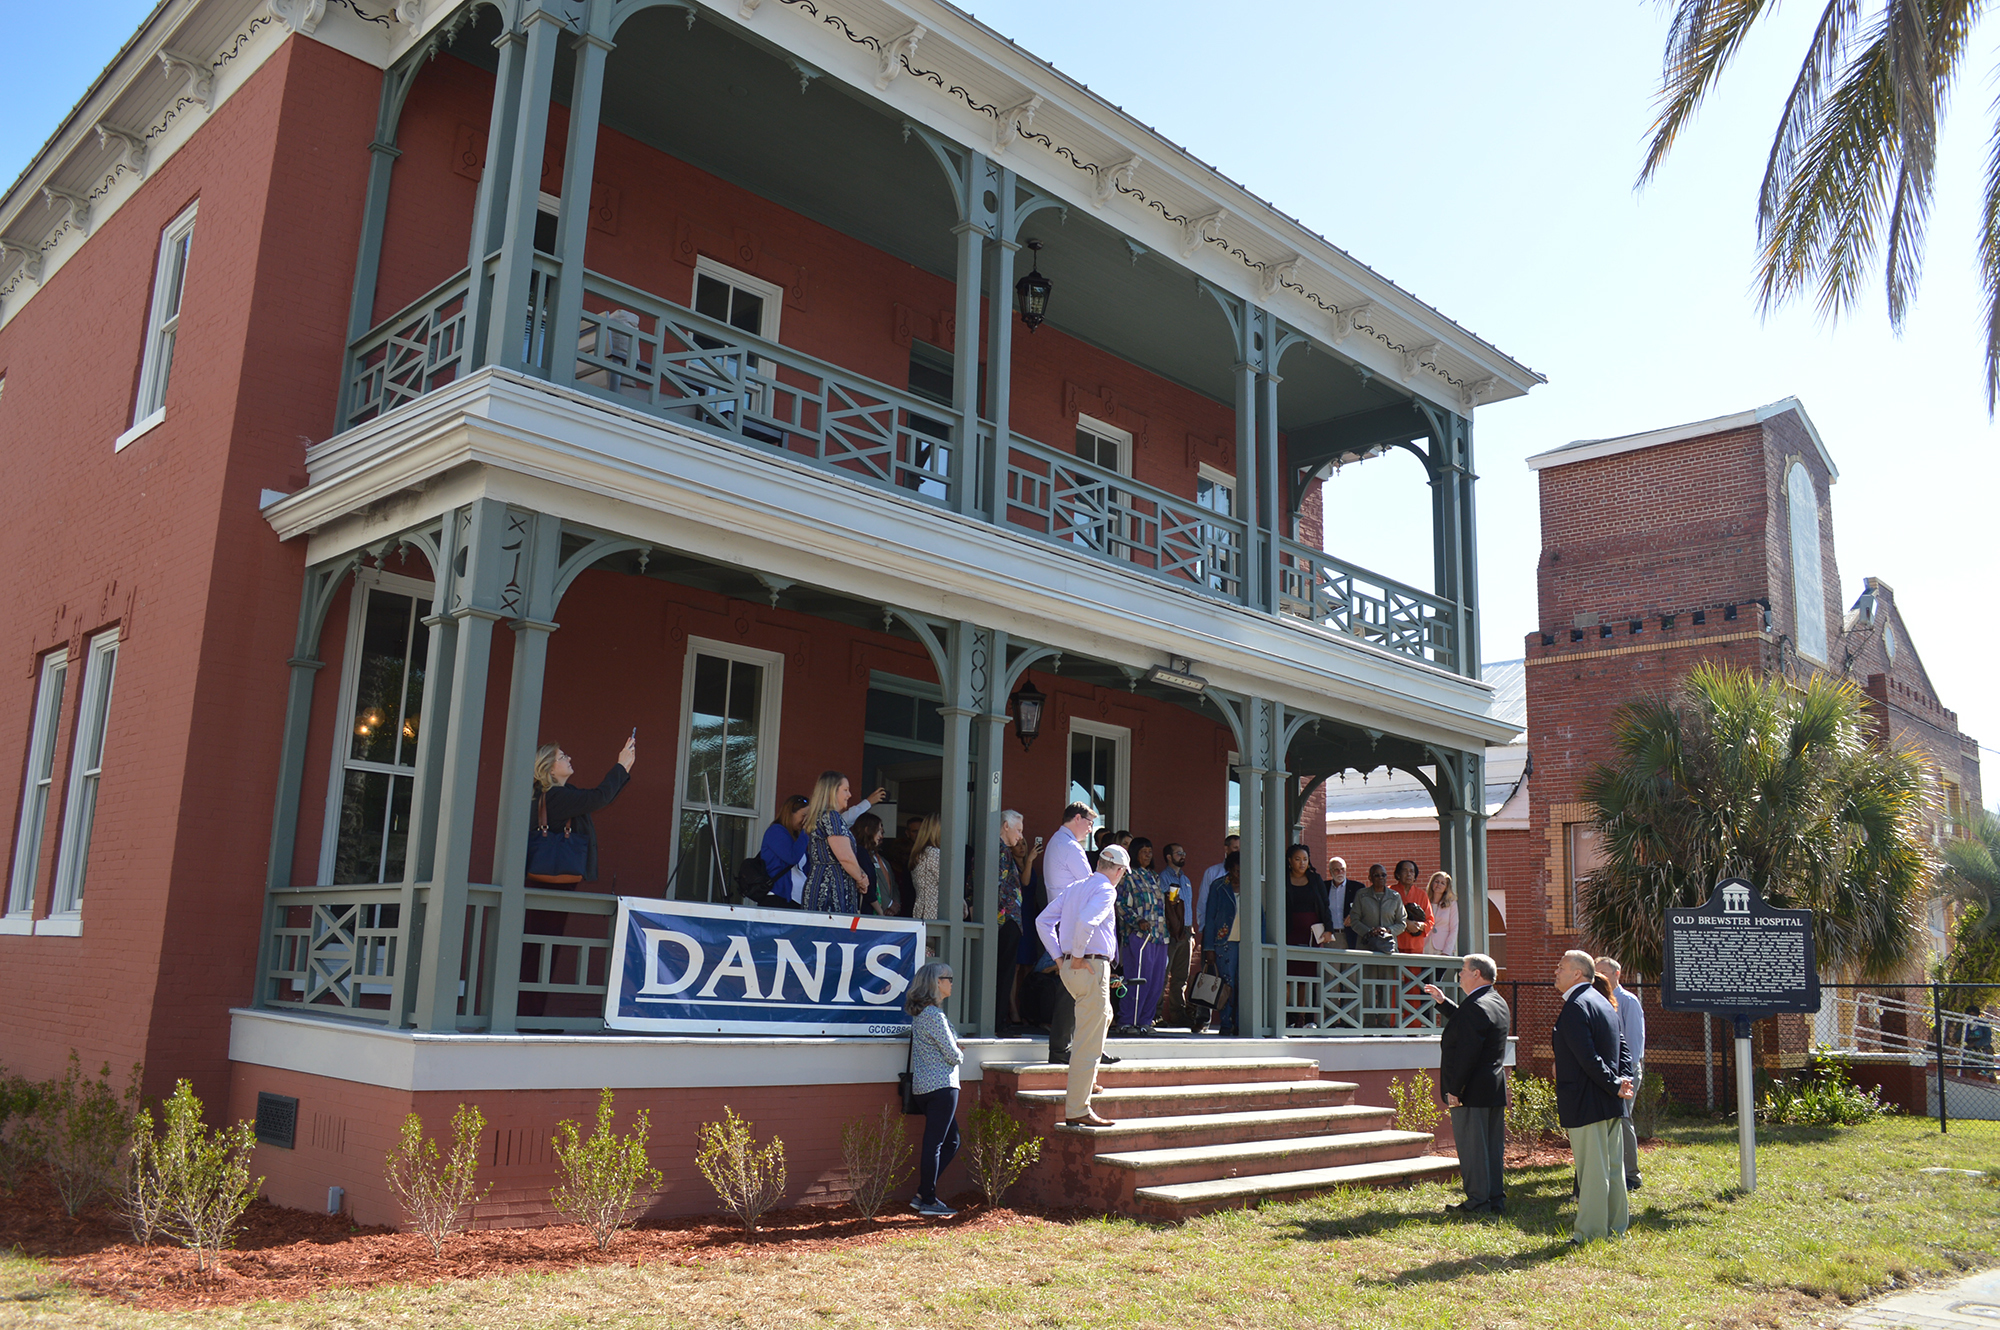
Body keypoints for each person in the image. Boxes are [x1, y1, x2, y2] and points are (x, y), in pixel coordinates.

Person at [1553, 948, 1635, 1244]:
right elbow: (1623, 1048)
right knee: (1613, 1168)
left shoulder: (1576, 1006)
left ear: (1577, 973)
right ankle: (1615, 1228)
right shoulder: (1603, 1002)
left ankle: (1588, 1233)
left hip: (1587, 1101)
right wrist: (1622, 1081)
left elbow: (1587, 1058)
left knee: (1591, 1171)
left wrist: (1615, 1084)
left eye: (1561, 967)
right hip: (1610, 1101)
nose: (1556, 972)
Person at [1046, 843, 1127, 1127]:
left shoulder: (1076, 887)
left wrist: (1060, 958)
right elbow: (1085, 921)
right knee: (1087, 1042)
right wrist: (1078, 957)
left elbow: (1043, 921)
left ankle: (1088, 1083)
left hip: (1072, 966)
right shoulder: (1106, 889)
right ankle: (1078, 1109)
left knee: (1102, 1018)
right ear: (1118, 870)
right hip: (1088, 965)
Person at [1422, 954, 1510, 1216]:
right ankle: (1494, 1199)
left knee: (1473, 1151)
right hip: (1492, 1088)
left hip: (1470, 1090)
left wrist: (1455, 1090)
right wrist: (1443, 1002)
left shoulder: (1476, 1006)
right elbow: (1471, 1024)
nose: (1459, 974)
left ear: (1477, 974)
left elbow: (1467, 1053)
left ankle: (1477, 1203)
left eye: (1463, 970)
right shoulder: (1495, 1000)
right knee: (1492, 1149)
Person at [1035, 803, 1110, 1067]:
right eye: (1090, 823)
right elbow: (1093, 886)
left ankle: (1079, 1048)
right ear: (1077, 818)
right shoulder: (1070, 847)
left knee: (1076, 992)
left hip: (1064, 923)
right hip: (1075, 926)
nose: (1091, 829)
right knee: (1076, 993)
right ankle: (1068, 1050)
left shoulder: (1058, 842)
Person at [528, 735, 636, 885]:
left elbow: (600, 798)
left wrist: (624, 769)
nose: (569, 758)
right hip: (552, 878)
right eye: (563, 757)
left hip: (551, 874)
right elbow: (598, 798)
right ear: (549, 768)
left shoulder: (559, 793)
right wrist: (621, 766)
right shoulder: (555, 796)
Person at [905, 960, 963, 1218]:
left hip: (924, 1088)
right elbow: (953, 1055)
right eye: (947, 978)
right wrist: (961, 1053)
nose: (951, 982)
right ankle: (927, 1198)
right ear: (936, 983)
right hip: (942, 1086)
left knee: (951, 1140)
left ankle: (922, 1194)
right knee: (937, 1143)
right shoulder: (935, 1015)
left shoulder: (921, 1015)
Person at [1596, 955, 1647, 1191]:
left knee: (1623, 1117)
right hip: (1607, 1073)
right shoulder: (1597, 1001)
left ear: (1617, 974)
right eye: (1596, 972)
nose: (1600, 976)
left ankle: (1632, 1176)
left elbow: (1635, 1043)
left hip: (1626, 1072)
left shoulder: (1629, 1001)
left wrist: (1626, 1076)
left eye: (1604, 972)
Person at [1114, 838, 1168, 1034]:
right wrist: (1137, 920)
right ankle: (1128, 1021)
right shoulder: (1127, 876)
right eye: (1143, 850)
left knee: (1155, 981)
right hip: (1138, 936)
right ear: (1135, 853)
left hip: (1160, 936)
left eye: (1150, 850)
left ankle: (1145, 1021)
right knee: (1137, 979)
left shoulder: (1154, 877)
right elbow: (1120, 904)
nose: (1148, 854)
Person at [800, 770, 870, 913]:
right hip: (832, 889)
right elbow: (845, 857)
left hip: (822, 884)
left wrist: (860, 874)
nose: (849, 795)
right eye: (845, 790)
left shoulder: (824, 817)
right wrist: (861, 878)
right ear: (832, 791)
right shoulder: (831, 817)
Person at [996, 810, 1041, 1031]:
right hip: (1005, 920)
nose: (1021, 835)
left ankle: (999, 1018)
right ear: (1006, 826)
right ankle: (998, 1020)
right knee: (1004, 971)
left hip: (1010, 919)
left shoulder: (1003, 851)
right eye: (1019, 830)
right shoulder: (1000, 851)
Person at [1283, 844, 1336, 1026]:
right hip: (1289, 932)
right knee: (1287, 977)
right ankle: (1285, 1015)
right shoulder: (1283, 878)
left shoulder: (1315, 879)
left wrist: (1329, 929)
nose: (1302, 863)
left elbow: (1325, 905)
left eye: (1305, 859)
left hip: (1311, 934)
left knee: (1306, 979)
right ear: (1289, 861)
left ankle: (1301, 1017)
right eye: (1297, 859)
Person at [1201, 851, 1244, 1036]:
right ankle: (1226, 1023)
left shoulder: (1254, 886)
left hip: (1246, 943)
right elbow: (1210, 917)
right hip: (1223, 942)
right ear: (1229, 869)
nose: (1239, 875)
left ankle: (1241, 1022)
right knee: (1227, 983)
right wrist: (1208, 947)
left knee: (1244, 983)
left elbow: (1261, 916)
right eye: (1235, 871)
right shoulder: (1218, 886)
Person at [1157, 843, 1197, 1027]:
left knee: (1181, 977)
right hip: (1171, 933)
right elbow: (1167, 907)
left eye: (1184, 852)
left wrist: (1192, 932)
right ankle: (1156, 1014)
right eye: (1178, 853)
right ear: (1168, 857)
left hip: (1187, 933)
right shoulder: (1163, 878)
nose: (1182, 856)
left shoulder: (1186, 880)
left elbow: (1187, 907)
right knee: (1163, 975)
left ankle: (1178, 1014)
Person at [758, 794, 811, 902]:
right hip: (779, 898)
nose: (806, 820)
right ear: (790, 813)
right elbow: (792, 857)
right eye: (804, 815)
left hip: (798, 900)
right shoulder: (775, 831)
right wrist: (806, 830)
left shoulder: (797, 837)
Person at [1345, 863, 1407, 953]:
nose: (1381, 877)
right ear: (1370, 878)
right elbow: (1354, 921)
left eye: (1383, 875)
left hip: (1388, 947)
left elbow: (1402, 923)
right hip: (1366, 947)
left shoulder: (1395, 897)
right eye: (1376, 875)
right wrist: (1369, 932)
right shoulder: (1361, 895)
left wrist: (1388, 930)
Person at [850, 812, 896, 915]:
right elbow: (867, 888)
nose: (881, 836)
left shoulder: (863, 852)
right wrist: (880, 911)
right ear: (867, 830)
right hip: (865, 911)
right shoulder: (860, 852)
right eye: (878, 831)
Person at [1196, 834, 1240, 939]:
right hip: (1217, 932)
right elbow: (1203, 901)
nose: (1239, 851)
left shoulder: (1248, 874)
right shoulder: (1212, 873)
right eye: (1235, 848)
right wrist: (1205, 928)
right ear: (1226, 849)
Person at [1326, 856, 1367, 948]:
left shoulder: (1358, 888)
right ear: (1330, 872)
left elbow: (1366, 910)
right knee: (1331, 962)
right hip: (1332, 936)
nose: (1340, 872)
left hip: (1352, 935)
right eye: (1336, 870)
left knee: (1352, 962)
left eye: (1342, 869)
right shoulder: (1324, 887)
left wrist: (1354, 916)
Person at [1394, 860, 1433, 953]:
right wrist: (1406, 923)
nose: (1408, 874)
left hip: (1415, 946)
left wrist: (1419, 926)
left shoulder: (1422, 894)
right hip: (1394, 944)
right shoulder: (1389, 892)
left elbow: (1430, 921)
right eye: (1405, 871)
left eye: (1411, 871)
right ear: (1398, 874)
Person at [908, 813, 943, 919]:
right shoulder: (934, 853)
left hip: (922, 912)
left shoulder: (921, 853)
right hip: (936, 913)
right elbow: (949, 885)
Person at [1422, 871, 1460, 956]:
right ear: (1432, 883)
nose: (1439, 884)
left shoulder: (1451, 904)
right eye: (1436, 881)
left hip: (1442, 949)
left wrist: (1446, 951)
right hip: (1424, 946)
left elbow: (1454, 928)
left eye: (1443, 883)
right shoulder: (1424, 901)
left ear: (1446, 887)